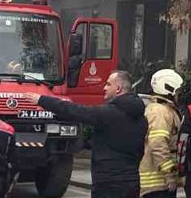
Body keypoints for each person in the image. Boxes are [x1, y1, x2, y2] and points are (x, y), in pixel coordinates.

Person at [36, 70, 147, 198]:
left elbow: (74, 110)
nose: (104, 88)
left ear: (118, 88)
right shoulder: (141, 119)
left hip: (107, 183)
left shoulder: (108, 114)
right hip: (132, 181)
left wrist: (42, 100)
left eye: (108, 84)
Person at [139, 69, 183, 198]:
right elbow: (158, 144)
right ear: (168, 89)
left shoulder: (159, 109)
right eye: (177, 91)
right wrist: (169, 174)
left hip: (158, 183)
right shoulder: (160, 112)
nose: (178, 95)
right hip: (158, 184)